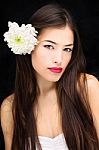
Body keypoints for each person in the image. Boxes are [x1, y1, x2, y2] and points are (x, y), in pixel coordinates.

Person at [0, 3, 99, 150]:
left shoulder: (87, 87)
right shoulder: (11, 108)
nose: (59, 59)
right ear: (29, 46)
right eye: (49, 46)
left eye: (67, 49)